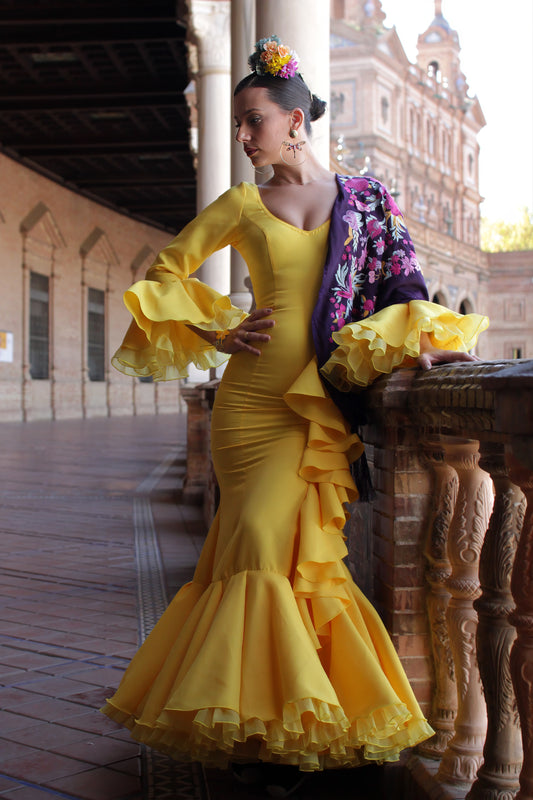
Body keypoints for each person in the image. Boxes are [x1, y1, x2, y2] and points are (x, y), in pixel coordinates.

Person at [101, 35, 488, 792]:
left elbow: (402, 284)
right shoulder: (242, 203)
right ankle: (259, 728)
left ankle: (284, 723)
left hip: (315, 407)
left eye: (253, 120)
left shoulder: (367, 200)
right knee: (252, 551)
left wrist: (421, 346)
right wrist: (217, 327)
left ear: (294, 121)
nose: (243, 136)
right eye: (238, 124)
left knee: (297, 562)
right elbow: (162, 272)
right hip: (248, 407)